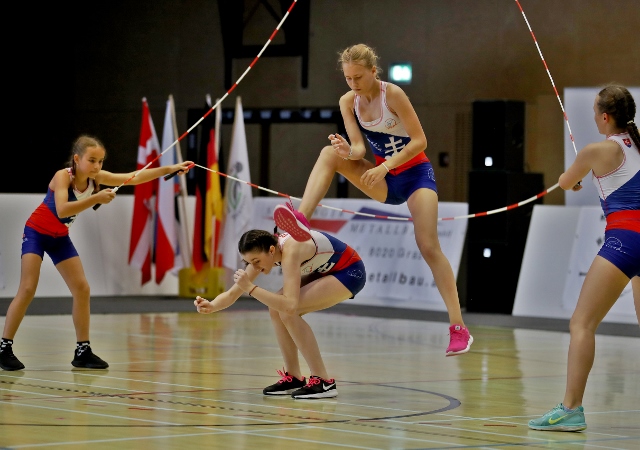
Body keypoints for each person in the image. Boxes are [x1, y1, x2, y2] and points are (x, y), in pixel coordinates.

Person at [273, 43, 472, 356]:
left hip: (414, 175)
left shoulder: (392, 95)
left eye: (359, 77)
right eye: (348, 78)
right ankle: (300, 219)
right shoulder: (347, 101)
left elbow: (421, 141)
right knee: (328, 154)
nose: (353, 84)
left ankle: (458, 327)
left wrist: (387, 167)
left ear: (373, 71)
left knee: (428, 246)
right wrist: (346, 151)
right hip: (382, 178)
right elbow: (359, 149)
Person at [0, 135, 193, 371]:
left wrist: (171, 168)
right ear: (77, 158)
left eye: (100, 161)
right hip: (36, 233)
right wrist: (96, 198)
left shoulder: (96, 179)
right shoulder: (64, 176)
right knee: (28, 288)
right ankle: (5, 348)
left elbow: (134, 177)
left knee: (82, 289)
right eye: (92, 160)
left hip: (59, 238)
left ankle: (83, 351)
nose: (97, 166)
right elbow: (61, 210)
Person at [529, 85, 640, 432]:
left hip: (625, 241)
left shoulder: (597, 150)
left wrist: (577, 178)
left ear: (605, 117)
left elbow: (564, 181)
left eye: (596, 111)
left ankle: (571, 408)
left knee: (582, 324)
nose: (593, 116)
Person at [194, 225, 366, 399]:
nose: (254, 267)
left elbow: (290, 305)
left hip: (349, 272)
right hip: (324, 270)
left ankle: (324, 382)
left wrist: (251, 288)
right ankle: (294, 377)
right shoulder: (266, 251)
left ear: (271, 250)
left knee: (287, 311)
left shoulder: (290, 252)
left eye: (256, 261)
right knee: (277, 308)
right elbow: (232, 294)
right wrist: (213, 305)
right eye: (249, 263)